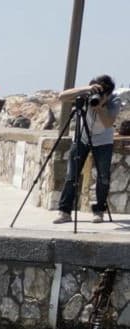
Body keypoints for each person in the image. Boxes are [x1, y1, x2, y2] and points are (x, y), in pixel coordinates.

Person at [54, 75, 121, 224]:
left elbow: (108, 123)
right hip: (82, 136)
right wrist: (87, 89)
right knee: (72, 175)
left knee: (103, 177)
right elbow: (62, 96)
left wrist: (101, 106)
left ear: (108, 94)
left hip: (103, 140)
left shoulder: (114, 100)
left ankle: (99, 212)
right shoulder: (86, 94)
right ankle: (64, 212)